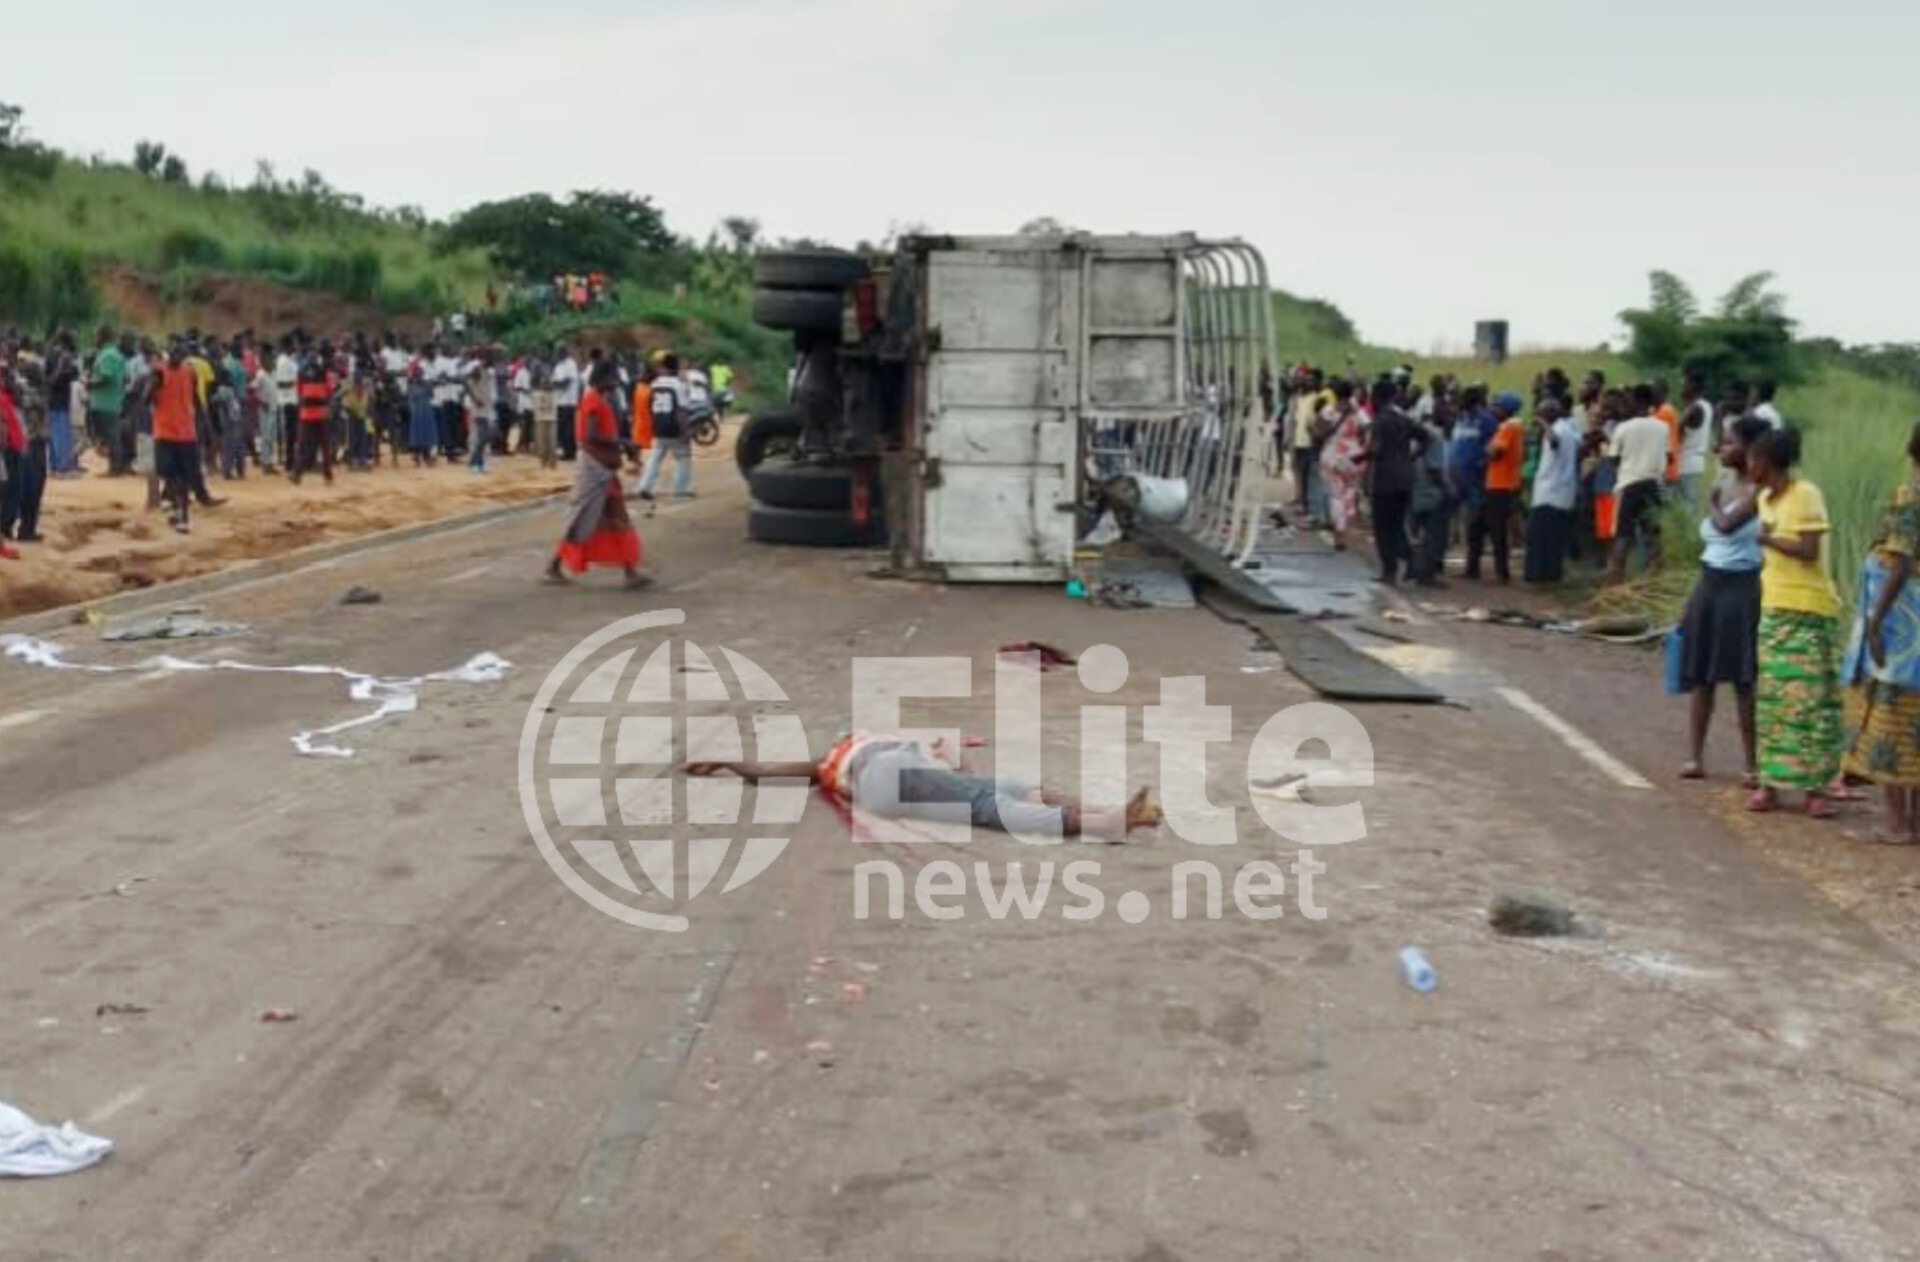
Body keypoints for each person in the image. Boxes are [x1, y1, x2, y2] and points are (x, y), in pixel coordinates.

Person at [685, 733, 1160, 843]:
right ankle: (1109, 821)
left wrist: (731, 764)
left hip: (882, 789)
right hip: (891, 777)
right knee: (989, 800)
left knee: (1012, 792)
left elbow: (770, 771)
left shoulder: (830, 761)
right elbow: (959, 765)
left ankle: (1110, 815)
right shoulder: (879, 746)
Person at [1749, 426, 1842, 816]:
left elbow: (1807, 550)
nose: (1749, 465)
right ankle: (1771, 782)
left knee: (1811, 702)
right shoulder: (1765, 499)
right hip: (1774, 607)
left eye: (1754, 458)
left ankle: (1816, 789)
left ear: (1768, 461)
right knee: (1773, 701)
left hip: (1809, 609)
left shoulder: (1806, 494)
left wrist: (1767, 540)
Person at [1677, 416, 1772, 783]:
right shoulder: (1725, 482)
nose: (1722, 448)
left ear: (1749, 449)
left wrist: (1714, 505)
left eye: (1729, 442)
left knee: (1743, 679)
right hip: (1710, 582)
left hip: (1740, 586)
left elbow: (1725, 526)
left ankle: (1751, 764)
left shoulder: (1758, 490)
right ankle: (1695, 757)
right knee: (1702, 676)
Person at [1840, 420, 1920, 844]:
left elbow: (1901, 562)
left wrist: (1875, 623)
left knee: (1889, 715)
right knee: (1916, 722)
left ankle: (1896, 823)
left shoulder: (1909, 497)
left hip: (1903, 625)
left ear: (1911, 451)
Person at [547, 362, 648, 589]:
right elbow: (591, 436)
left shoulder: (598, 399)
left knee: (613, 519)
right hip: (594, 468)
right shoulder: (592, 400)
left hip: (603, 469)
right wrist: (623, 443)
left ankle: (630, 571)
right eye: (612, 379)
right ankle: (554, 565)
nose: (615, 384)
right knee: (583, 517)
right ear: (602, 378)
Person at [1606, 386, 1671, 584]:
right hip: (1654, 484)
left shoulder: (1623, 428)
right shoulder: (1662, 427)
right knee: (1653, 536)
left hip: (1629, 484)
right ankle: (1654, 580)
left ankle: (1614, 582)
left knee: (1623, 535)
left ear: (1635, 401)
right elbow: (1668, 456)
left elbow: (1613, 459)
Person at [1362, 376, 1421, 585]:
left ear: (1376, 397)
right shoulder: (1402, 418)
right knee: (1397, 525)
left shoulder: (1380, 420)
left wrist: (1360, 457)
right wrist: (1411, 457)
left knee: (1382, 528)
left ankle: (1390, 570)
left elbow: (1375, 450)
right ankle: (1412, 561)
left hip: (1385, 481)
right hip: (1405, 479)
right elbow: (1426, 436)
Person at [1524, 397, 1582, 584]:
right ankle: (1551, 574)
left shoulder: (1556, 429)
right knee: (1553, 539)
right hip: (1563, 492)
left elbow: (1554, 442)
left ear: (1550, 413)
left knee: (1540, 538)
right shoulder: (1570, 430)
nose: (1538, 416)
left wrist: (1543, 425)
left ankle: (1539, 576)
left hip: (1549, 492)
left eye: (1541, 412)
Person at [150, 343, 200, 534]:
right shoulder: (159, 372)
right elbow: (148, 396)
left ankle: (182, 516)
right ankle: (171, 501)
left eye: (180, 353)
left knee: (184, 478)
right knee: (165, 470)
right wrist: (153, 386)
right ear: (168, 354)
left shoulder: (189, 373)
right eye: (173, 353)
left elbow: (195, 399)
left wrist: (208, 427)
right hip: (164, 431)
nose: (176, 356)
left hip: (186, 432)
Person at [1479, 394, 1526, 585]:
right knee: (1499, 528)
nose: (1492, 409)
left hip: (1500, 483)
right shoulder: (1512, 427)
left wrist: (1487, 452)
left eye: (1497, 406)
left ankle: (1502, 573)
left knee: (1498, 529)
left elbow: (1495, 452)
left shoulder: (1508, 427)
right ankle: (1502, 570)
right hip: (1506, 482)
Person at [1409, 391, 1454, 587]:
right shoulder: (1435, 436)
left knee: (1421, 533)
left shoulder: (1425, 432)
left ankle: (1417, 569)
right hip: (1431, 491)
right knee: (1435, 535)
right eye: (1447, 414)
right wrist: (1449, 489)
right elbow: (1434, 468)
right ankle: (1426, 574)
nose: (1450, 418)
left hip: (1418, 489)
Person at [637, 355, 695, 501]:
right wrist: (685, 431)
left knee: (655, 457)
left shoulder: (655, 384)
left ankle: (644, 486)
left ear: (663, 367)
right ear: (676, 367)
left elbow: (649, 405)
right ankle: (681, 491)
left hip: (658, 425)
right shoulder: (678, 385)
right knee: (683, 457)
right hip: (673, 426)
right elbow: (681, 411)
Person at [1315, 379, 1365, 552]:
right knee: (1349, 492)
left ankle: (1340, 533)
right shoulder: (1357, 410)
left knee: (1335, 495)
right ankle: (1347, 524)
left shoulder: (1328, 410)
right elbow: (1366, 428)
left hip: (1332, 455)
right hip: (1354, 455)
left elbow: (1318, 431)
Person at [291, 349, 336, 485]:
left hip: (306, 414)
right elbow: (329, 392)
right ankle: (327, 475)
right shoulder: (324, 372)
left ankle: (297, 474)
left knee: (302, 444)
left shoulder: (301, 372)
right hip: (321, 413)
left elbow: (298, 392)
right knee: (324, 445)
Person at [1675, 376, 1716, 508]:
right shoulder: (1707, 406)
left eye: (1685, 384)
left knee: (1687, 505)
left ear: (1693, 387)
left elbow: (1677, 431)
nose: (1683, 388)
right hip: (1696, 460)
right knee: (1689, 503)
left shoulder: (1695, 408)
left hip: (1688, 462)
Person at [552, 345, 582, 462]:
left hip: (569, 401)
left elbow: (566, 382)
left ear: (565, 352)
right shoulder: (558, 366)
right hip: (560, 401)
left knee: (569, 428)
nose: (557, 355)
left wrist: (555, 384)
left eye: (559, 352)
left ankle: (570, 451)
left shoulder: (571, 364)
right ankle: (566, 450)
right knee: (562, 428)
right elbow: (554, 381)